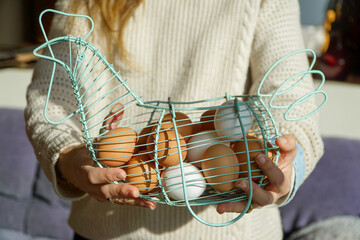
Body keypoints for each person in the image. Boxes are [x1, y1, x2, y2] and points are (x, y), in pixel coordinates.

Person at [25, 0, 324, 239]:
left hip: (232, 231)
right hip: (104, 231)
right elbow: (51, 105)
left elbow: (292, 104)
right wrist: (70, 158)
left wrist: (285, 168)